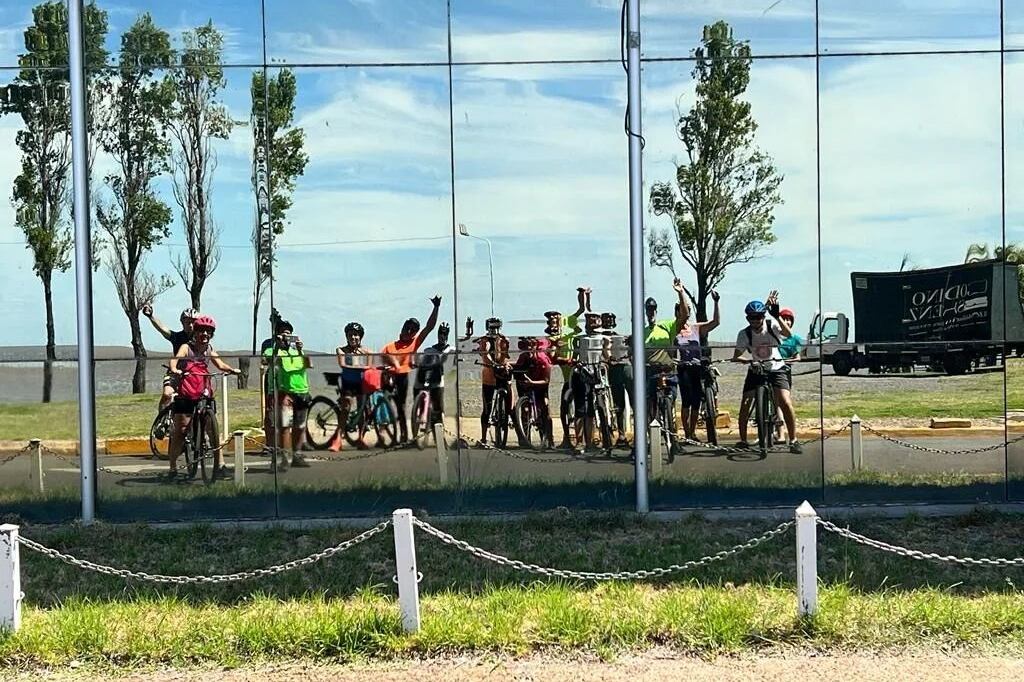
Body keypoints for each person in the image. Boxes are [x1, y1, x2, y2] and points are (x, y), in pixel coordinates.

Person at [166, 315, 241, 481]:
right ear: (196, 332)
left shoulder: (209, 349)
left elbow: (219, 364)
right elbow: (175, 359)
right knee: (181, 430)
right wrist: (175, 369)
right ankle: (172, 467)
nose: (205, 334)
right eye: (202, 331)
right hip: (186, 390)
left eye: (208, 331)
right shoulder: (187, 347)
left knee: (212, 429)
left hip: (203, 389)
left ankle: (220, 465)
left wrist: (231, 370)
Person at [732, 292, 801, 453]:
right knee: (745, 403)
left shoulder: (772, 325)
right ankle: (743, 440)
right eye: (751, 317)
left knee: (785, 400)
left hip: (777, 367)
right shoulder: (744, 334)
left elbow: (788, 334)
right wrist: (748, 361)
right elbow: (736, 355)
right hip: (756, 368)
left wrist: (777, 316)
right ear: (747, 318)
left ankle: (794, 439)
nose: (755, 320)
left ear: (763, 316)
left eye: (758, 317)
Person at [383, 296, 442, 443]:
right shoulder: (389, 346)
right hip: (391, 378)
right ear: (402, 328)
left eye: (412, 330)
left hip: (405, 378)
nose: (409, 331)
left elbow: (429, 327)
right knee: (393, 405)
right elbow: (383, 360)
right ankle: (391, 432)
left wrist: (436, 307)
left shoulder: (414, 342)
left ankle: (405, 435)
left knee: (403, 406)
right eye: (407, 328)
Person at [672, 281, 720, 441]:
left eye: (689, 311)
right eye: (683, 310)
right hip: (684, 367)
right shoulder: (675, 330)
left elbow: (715, 323)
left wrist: (716, 302)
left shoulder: (696, 328)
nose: (687, 313)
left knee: (697, 401)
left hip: (697, 367)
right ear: (677, 313)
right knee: (686, 401)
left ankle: (692, 431)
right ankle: (685, 431)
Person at [262, 320, 312, 471]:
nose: (286, 335)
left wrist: (300, 349)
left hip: (301, 390)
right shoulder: (271, 350)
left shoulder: (297, 350)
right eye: (282, 332)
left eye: (288, 333)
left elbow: (308, 365)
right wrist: (277, 347)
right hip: (283, 392)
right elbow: (266, 361)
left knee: (299, 426)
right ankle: (283, 458)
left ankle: (296, 455)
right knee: (284, 426)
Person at [545, 287, 588, 448]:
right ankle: (566, 439)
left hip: (580, 375)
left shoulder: (569, 324)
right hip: (567, 379)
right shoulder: (552, 338)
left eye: (556, 317)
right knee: (564, 409)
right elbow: (553, 358)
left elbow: (581, 309)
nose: (554, 321)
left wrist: (582, 295)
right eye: (551, 320)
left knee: (581, 408)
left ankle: (581, 439)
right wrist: (565, 359)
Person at [141, 304, 197, 419]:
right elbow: (163, 329)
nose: (191, 325)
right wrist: (151, 316)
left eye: (193, 322)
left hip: (194, 375)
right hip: (175, 373)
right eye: (187, 322)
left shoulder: (201, 339)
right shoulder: (177, 337)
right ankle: (161, 420)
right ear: (182, 323)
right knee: (167, 394)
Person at [570, 312, 611, 454]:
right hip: (582, 374)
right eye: (589, 320)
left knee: (594, 409)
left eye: (595, 319)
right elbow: (574, 357)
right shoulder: (579, 339)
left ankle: (591, 440)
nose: (592, 322)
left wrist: (608, 359)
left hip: (597, 374)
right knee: (581, 409)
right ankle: (580, 441)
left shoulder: (604, 338)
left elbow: (607, 355)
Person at [334, 322, 374, 451]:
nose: (353, 337)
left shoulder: (367, 351)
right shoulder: (340, 349)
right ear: (346, 336)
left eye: (356, 335)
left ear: (360, 337)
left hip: (361, 383)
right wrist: (360, 364)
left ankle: (360, 439)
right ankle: (338, 439)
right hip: (347, 382)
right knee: (346, 407)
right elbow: (343, 364)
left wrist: (353, 362)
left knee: (362, 411)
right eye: (350, 335)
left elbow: (369, 366)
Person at [474, 316, 511, 444]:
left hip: (501, 374)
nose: (494, 330)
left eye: (496, 327)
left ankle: (509, 422)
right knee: (487, 407)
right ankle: (484, 438)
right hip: (489, 376)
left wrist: (502, 363)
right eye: (491, 327)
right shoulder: (485, 340)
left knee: (508, 402)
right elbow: (485, 353)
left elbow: (506, 354)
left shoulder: (503, 339)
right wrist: (492, 362)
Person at [513, 336, 553, 448]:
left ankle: (549, 440)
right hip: (526, 384)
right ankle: (526, 438)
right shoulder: (523, 357)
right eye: (526, 346)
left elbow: (546, 380)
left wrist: (533, 383)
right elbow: (517, 367)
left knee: (545, 406)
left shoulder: (543, 359)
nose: (529, 348)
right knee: (525, 410)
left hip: (540, 384)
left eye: (531, 346)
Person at [413, 322, 455, 430]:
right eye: (441, 334)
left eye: (445, 334)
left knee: (438, 408)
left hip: (440, 379)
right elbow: (422, 361)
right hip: (427, 377)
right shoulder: (429, 350)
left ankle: (439, 432)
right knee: (418, 389)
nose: (442, 336)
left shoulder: (451, 350)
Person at [602, 312, 632, 447]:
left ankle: (640, 433)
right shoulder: (601, 337)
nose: (608, 322)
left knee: (633, 399)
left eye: (610, 319)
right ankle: (621, 434)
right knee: (618, 403)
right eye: (606, 320)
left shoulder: (619, 336)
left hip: (625, 367)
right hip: (611, 370)